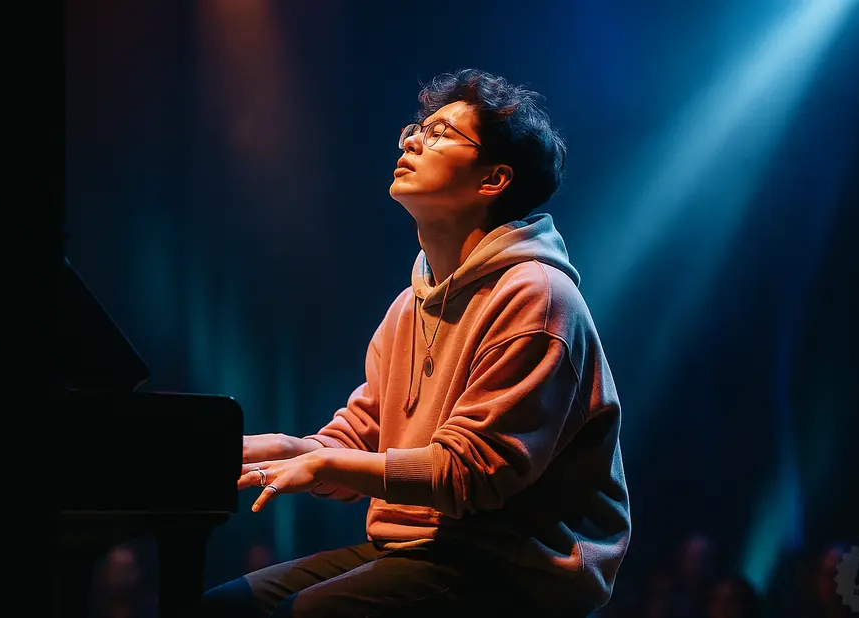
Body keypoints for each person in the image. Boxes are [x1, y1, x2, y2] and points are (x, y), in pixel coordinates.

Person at [201, 68, 631, 617]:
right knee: (223, 608)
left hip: (514, 569)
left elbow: (472, 472)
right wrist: (292, 448)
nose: (410, 139)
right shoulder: (411, 304)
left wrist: (327, 466)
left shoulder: (537, 296)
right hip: (416, 549)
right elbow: (364, 436)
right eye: (416, 128)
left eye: (441, 133)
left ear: (493, 180)